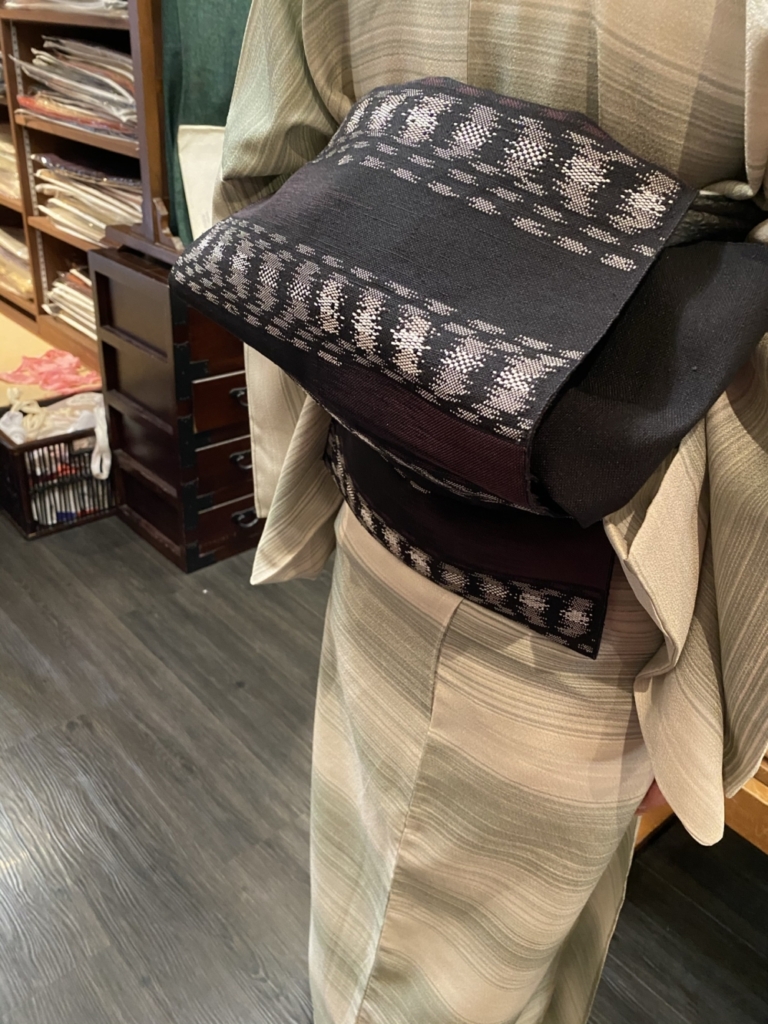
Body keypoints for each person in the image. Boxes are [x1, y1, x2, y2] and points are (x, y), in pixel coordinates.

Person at [212, 3, 768, 1022]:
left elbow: (263, 169)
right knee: (488, 977)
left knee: (395, 941)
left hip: (398, 512)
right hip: (629, 553)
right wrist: (710, 648)